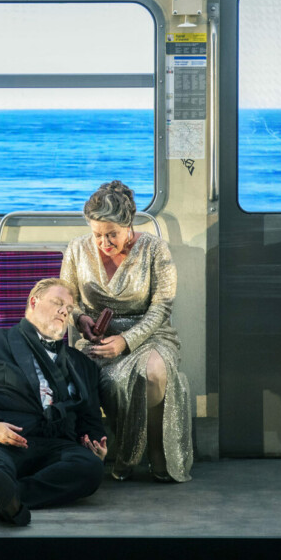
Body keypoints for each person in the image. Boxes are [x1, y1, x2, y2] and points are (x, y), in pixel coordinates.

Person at [61, 180, 193, 482]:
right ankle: (126, 452)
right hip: (96, 339)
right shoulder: (77, 249)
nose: (104, 243)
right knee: (95, 376)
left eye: (112, 235)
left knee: (156, 373)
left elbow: (161, 309)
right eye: (97, 234)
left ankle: (157, 454)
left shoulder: (155, 249)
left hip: (150, 334)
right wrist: (81, 320)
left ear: (128, 224)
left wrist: (126, 341)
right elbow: (68, 299)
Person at [0, 278, 108, 525]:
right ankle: (2, 494)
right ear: (34, 302)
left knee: (90, 468)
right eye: (58, 303)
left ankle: (0, 496)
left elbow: (90, 419)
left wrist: (95, 444)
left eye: (68, 308)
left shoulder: (81, 363)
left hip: (52, 446)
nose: (65, 311)